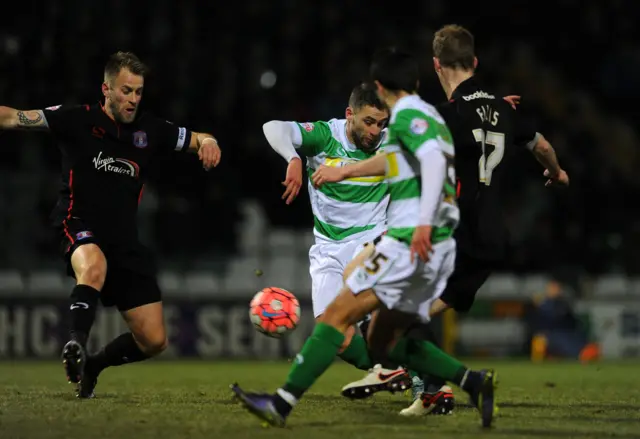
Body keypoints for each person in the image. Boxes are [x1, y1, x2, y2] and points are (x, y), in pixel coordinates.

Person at [231, 48, 497, 429]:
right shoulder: (341, 133)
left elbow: (426, 157)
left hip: (383, 239)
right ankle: (464, 379)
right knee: (353, 337)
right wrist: (293, 158)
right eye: (369, 123)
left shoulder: (403, 125)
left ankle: (282, 404)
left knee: (341, 321)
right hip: (335, 248)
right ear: (350, 114)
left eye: (380, 122)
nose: (376, 130)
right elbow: (274, 127)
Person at [312, 24, 569, 416]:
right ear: (475, 62)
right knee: (414, 309)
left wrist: (345, 171)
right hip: (494, 240)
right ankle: (432, 390)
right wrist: (557, 172)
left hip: (456, 232)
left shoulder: (447, 116)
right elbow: (543, 146)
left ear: (436, 65)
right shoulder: (504, 108)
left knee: (376, 300)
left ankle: (392, 370)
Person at [0, 51, 221, 398]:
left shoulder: (151, 131)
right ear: (106, 89)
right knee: (94, 265)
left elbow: (198, 138)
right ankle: (75, 345)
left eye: (138, 92)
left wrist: (209, 142)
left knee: (153, 340)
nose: (133, 99)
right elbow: (14, 118)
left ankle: (93, 365)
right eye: (126, 90)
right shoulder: (75, 119)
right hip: (77, 223)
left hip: (124, 241)